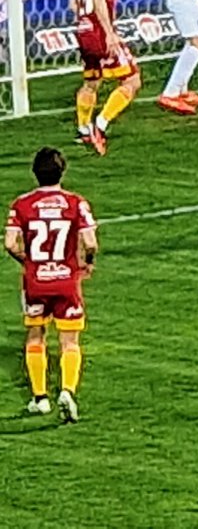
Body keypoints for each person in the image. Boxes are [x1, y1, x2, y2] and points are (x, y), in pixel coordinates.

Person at [6, 147, 96, 422]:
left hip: (36, 282)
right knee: (70, 341)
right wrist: (87, 263)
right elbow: (90, 242)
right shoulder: (76, 203)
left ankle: (40, 398)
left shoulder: (21, 204)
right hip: (66, 282)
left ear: (35, 173)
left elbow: (10, 243)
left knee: (36, 336)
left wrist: (28, 262)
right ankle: (67, 391)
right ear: (62, 171)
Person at [71, 0, 139, 155]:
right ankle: (100, 125)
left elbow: (74, 3)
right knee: (132, 80)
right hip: (100, 32)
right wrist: (109, 33)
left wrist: (85, 24)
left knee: (91, 82)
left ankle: (83, 129)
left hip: (83, 31)